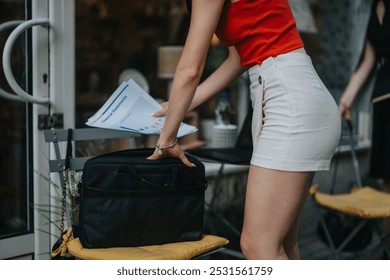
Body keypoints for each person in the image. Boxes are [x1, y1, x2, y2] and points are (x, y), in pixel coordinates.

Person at [148, 0, 341, 260]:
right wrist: (177, 107)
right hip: (290, 94)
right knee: (282, 244)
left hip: (288, 98)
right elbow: (238, 59)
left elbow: (189, 69)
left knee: (258, 246)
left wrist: (167, 139)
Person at [338, 0, 390, 240]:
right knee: (386, 179)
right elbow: (368, 60)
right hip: (382, 100)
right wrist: (345, 101)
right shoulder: (367, 10)